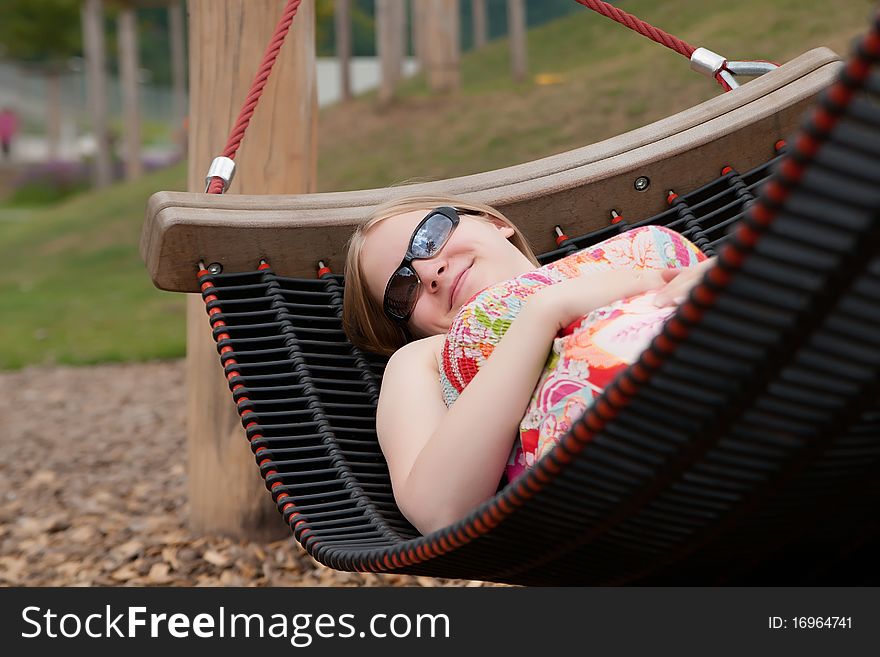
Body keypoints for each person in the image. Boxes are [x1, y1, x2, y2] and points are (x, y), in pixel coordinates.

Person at [343, 194, 716, 535]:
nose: (428, 273)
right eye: (402, 289)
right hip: (646, 485)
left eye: (429, 237)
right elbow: (439, 511)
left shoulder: (629, 257)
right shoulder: (425, 357)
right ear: (411, 328)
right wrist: (543, 314)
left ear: (494, 223)